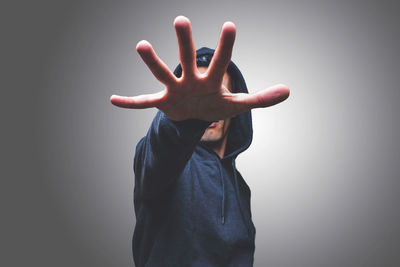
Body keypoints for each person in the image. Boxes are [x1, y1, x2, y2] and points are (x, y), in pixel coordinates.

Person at [110, 15, 290, 267]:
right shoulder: (164, 162)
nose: (207, 112)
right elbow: (160, 153)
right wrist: (185, 121)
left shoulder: (241, 187)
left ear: (234, 107)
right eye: (197, 102)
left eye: (217, 99)